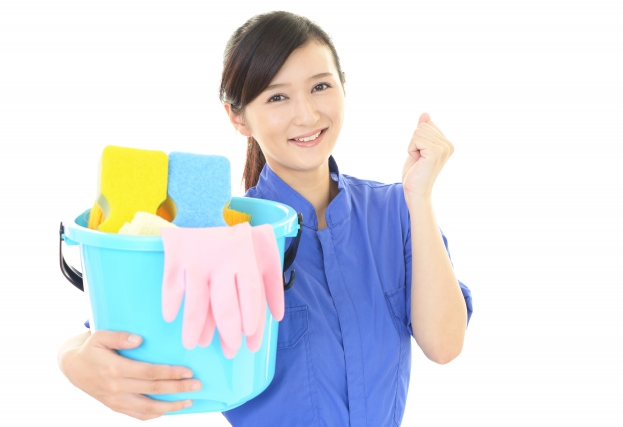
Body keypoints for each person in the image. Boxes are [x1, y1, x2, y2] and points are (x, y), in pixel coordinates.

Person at [57, 11, 473, 426]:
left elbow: (445, 345)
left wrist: (419, 198)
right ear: (238, 117)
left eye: (321, 86)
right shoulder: (225, 233)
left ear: (343, 87)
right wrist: (72, 360)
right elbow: (117, 324)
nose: (306, 115)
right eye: (277, 97)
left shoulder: (397, 211)